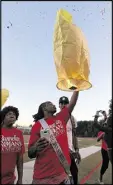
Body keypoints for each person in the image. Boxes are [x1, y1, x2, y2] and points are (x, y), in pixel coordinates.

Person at [28, 91, 79, 184]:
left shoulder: (61, 117)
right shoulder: (37, 125)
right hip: (43, 177)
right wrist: (36, 147)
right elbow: (30, 153)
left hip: (63, 175)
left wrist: (77, 88)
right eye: (50, 104)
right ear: (44, 108)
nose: (54, 105)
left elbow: (72, 103)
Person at [59, 96, 81, 184]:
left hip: (71, 153)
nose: (64, 105)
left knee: (74, 174)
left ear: (69, 104)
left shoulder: (72, 119)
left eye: (66, 103)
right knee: (61, 177)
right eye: (62, 103)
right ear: (59, 105)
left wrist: (77, 149)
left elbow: (74, 135)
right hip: (59, 153)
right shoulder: (56, 118)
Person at [1, 106, 25, 184]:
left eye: (14, 114)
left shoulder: (19, 133)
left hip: (10, 180)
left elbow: (20, 158)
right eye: (9, 114)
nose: (12, 115)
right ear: (3, 117)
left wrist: (20, 179)